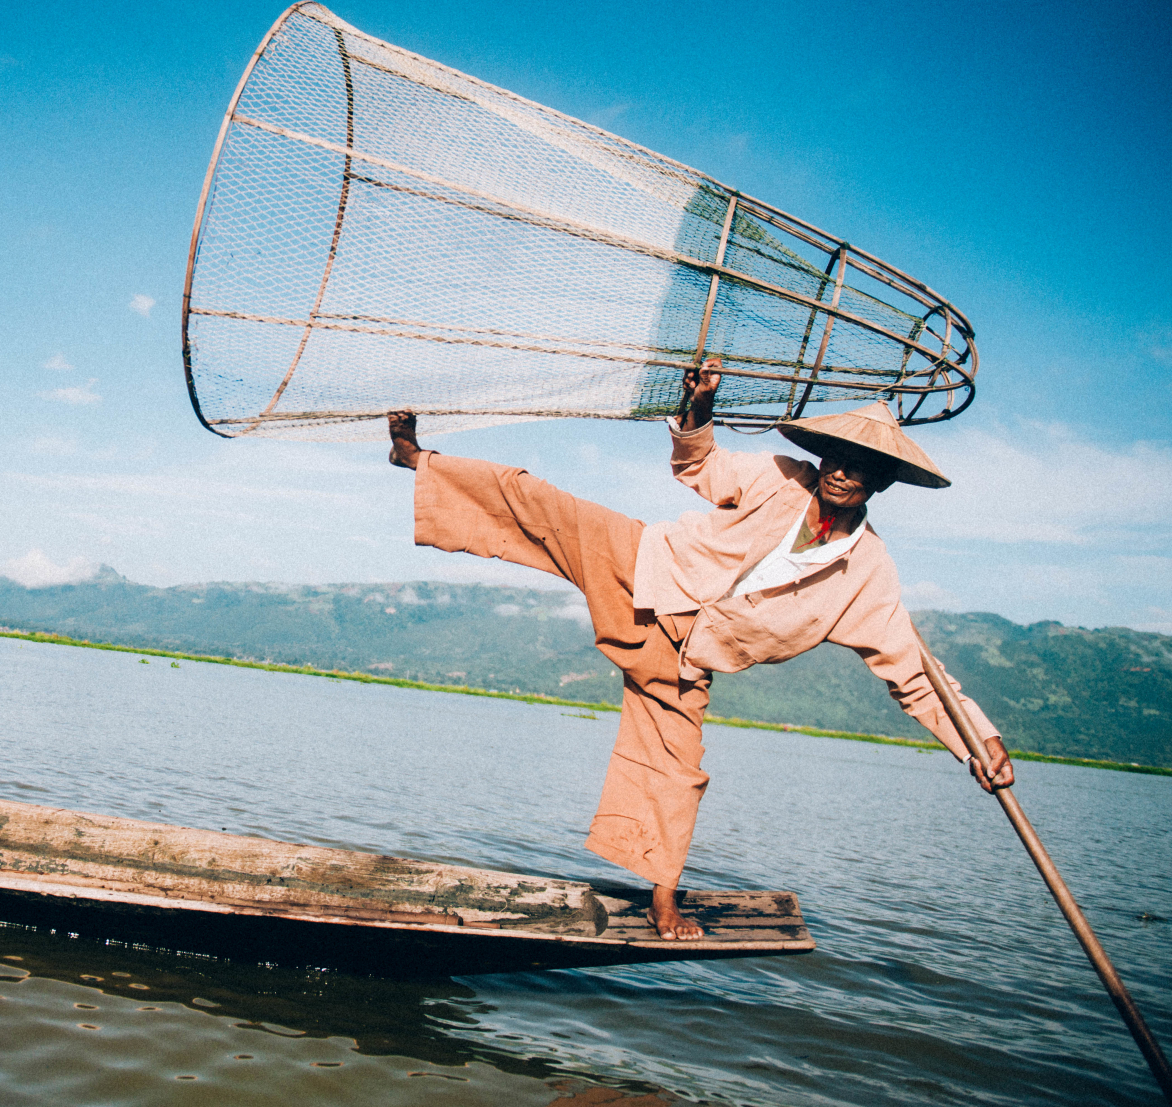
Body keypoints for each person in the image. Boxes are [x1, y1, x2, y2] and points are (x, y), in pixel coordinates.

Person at [387, 358, 1013, 941]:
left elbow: (914, 676)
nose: (841, 471)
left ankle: (663, 895)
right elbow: (700, 466)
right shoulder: (781, 477)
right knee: (538, 500)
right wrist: (698, 409)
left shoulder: (867, 571)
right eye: (837, 458)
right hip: (645, 564)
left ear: (882, 481)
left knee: (680, 772)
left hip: (688, 656)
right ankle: (417, 458)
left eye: (859, 466)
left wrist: (978, 743)